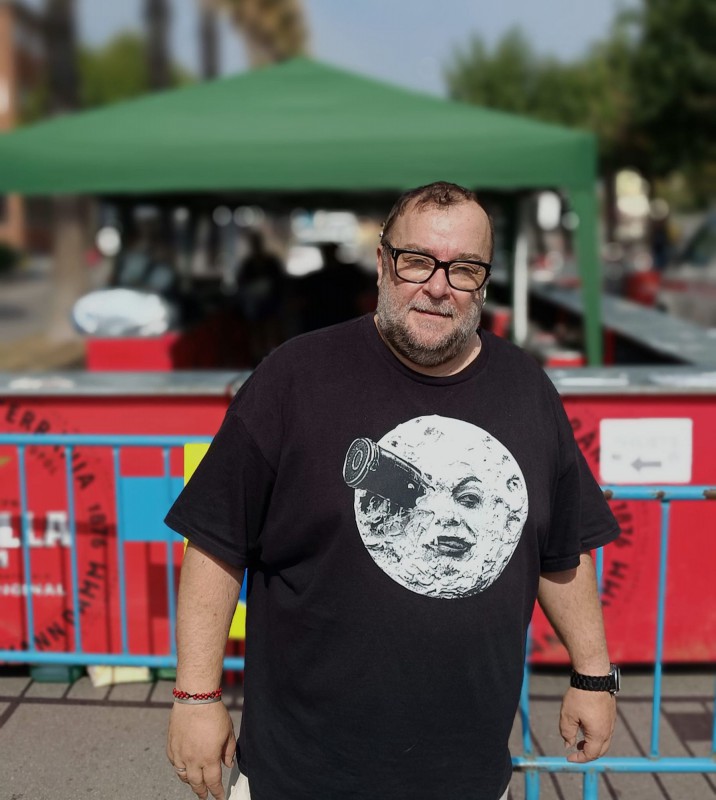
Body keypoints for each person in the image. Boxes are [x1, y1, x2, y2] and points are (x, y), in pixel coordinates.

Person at [165, 181, 620, 800]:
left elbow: (560, 549)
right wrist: (196, 696)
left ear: (483, 282)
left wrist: (594, 676)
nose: (437, 286)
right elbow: (216, 541)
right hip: (302, 778)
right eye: (417, 261)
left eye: (464, 269)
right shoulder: (293, 378)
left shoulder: (526, 389)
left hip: (467, 779)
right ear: (382, 263)